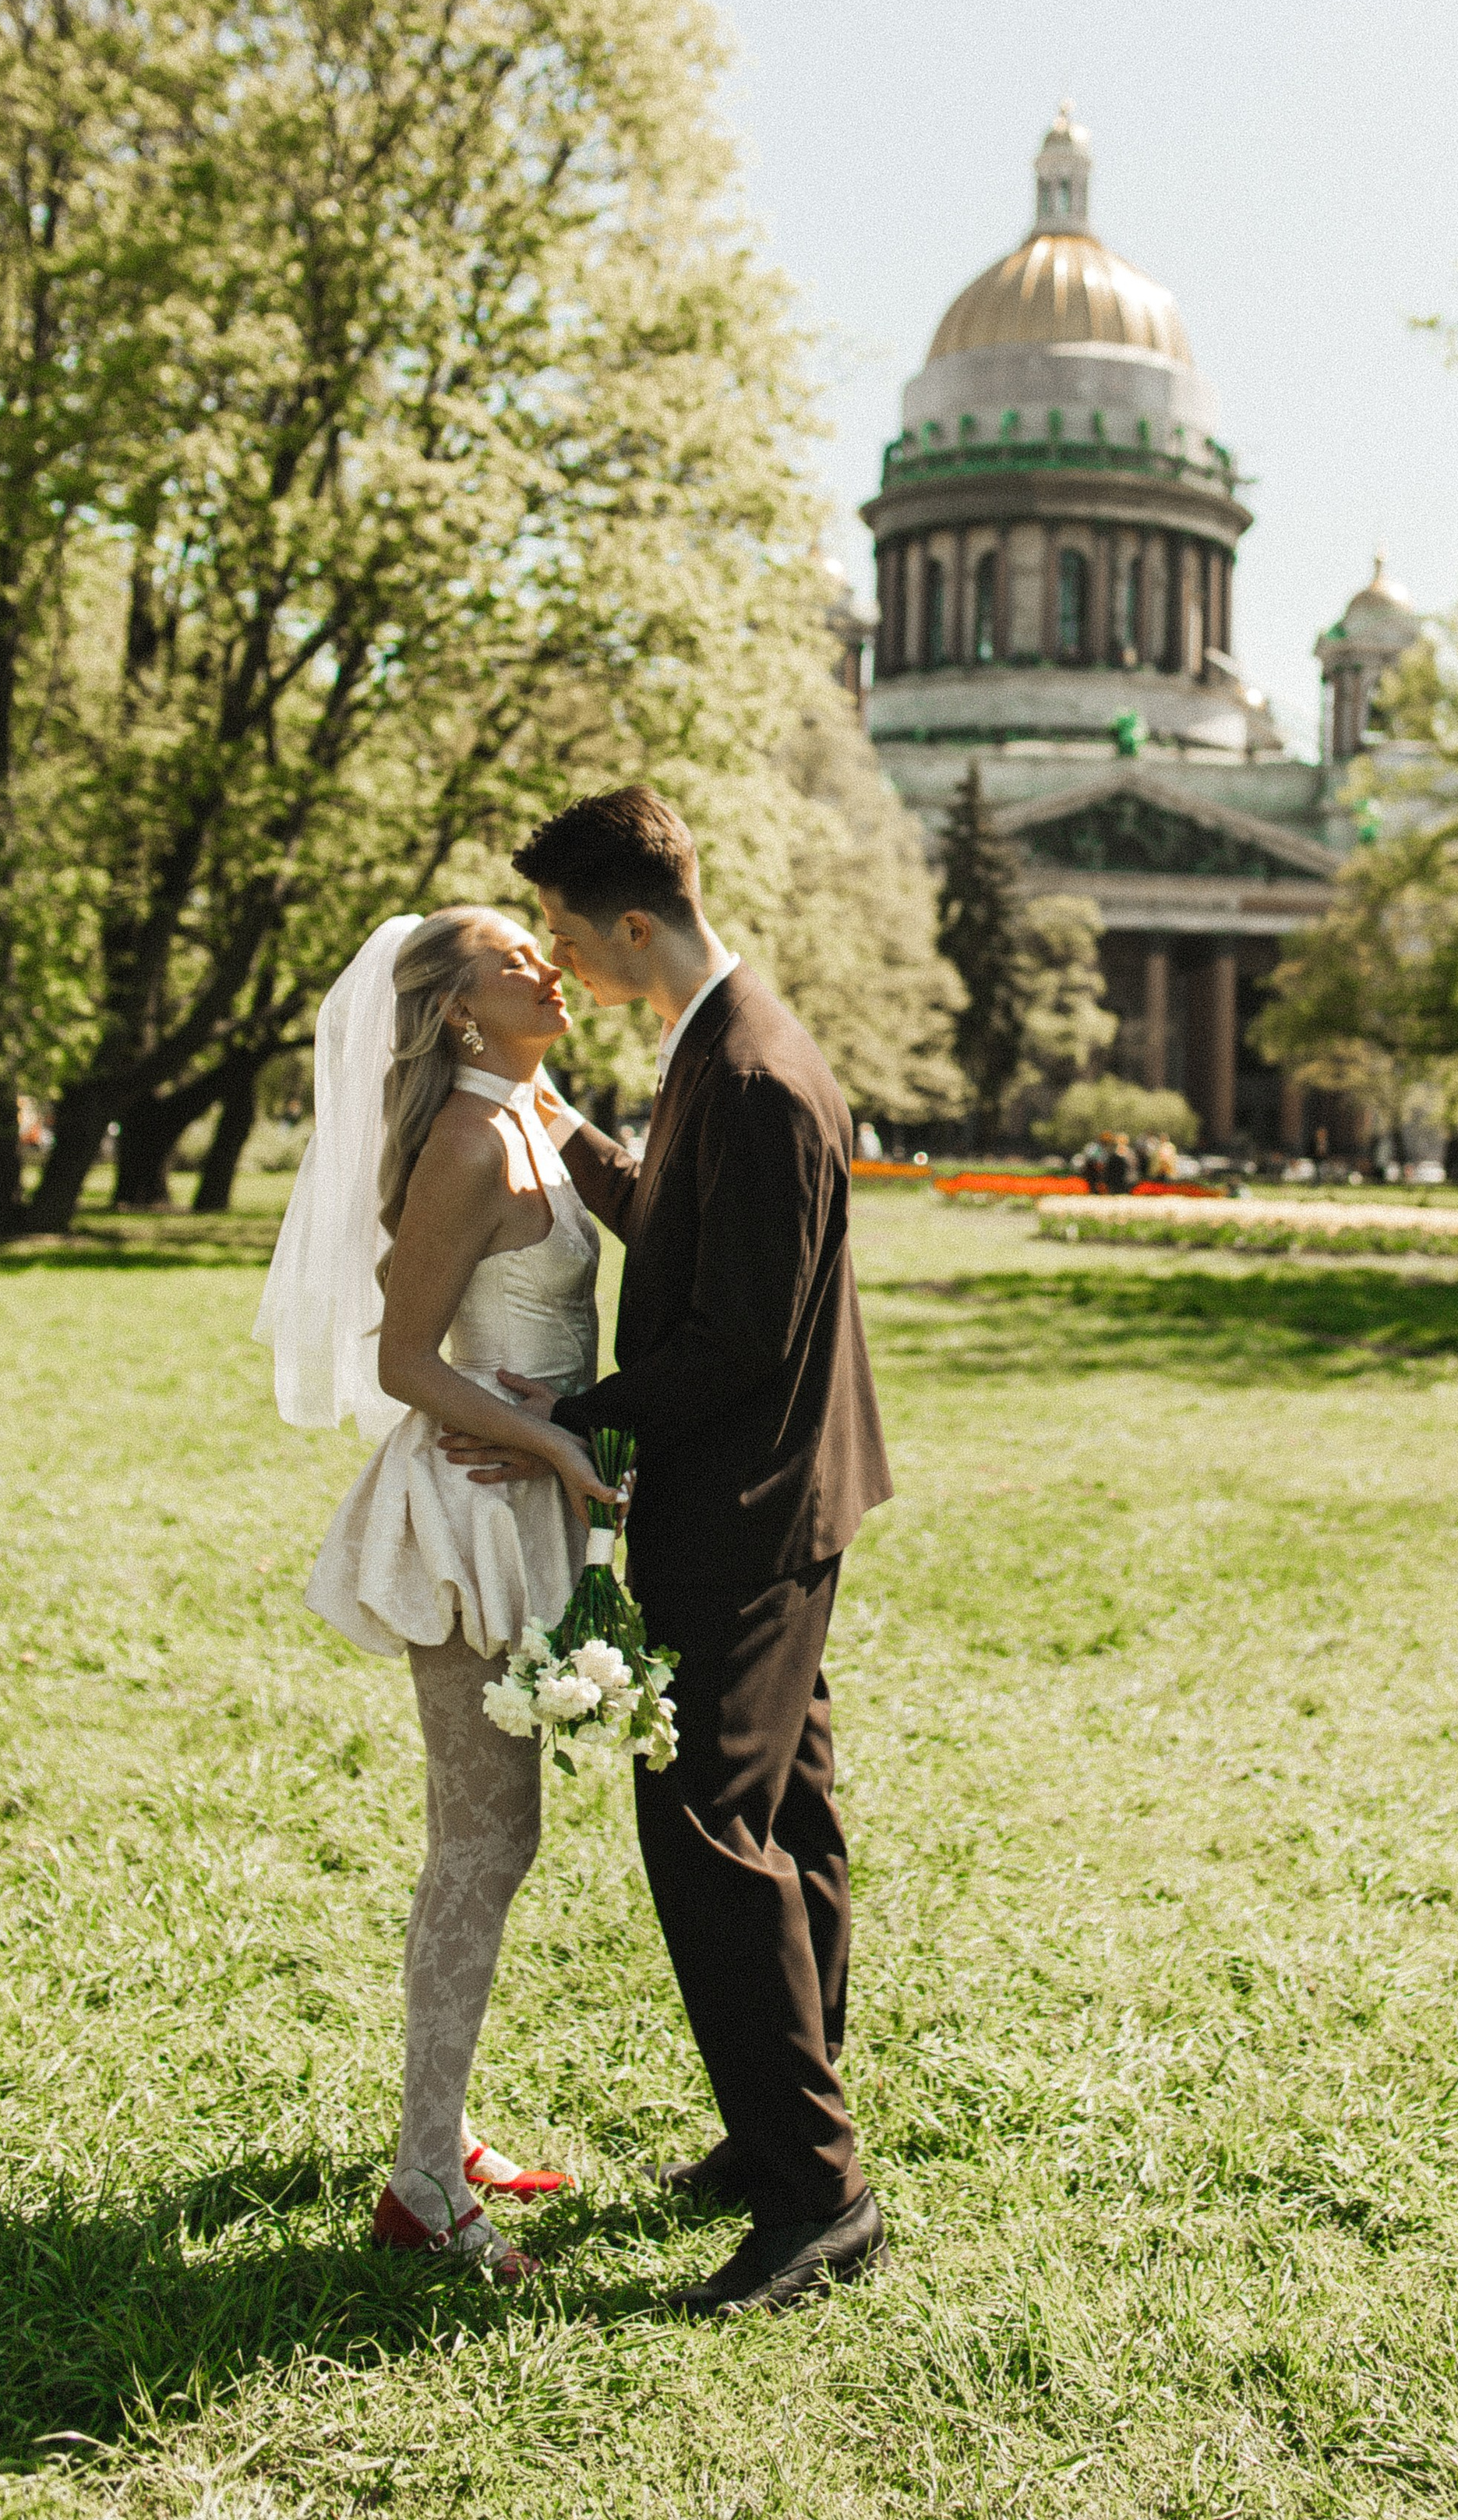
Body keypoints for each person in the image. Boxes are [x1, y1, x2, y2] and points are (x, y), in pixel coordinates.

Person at [445, 786, 891, 2318]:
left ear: (632, 921)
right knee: (790, 1816)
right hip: (781, 1490)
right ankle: (779, 2134)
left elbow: (735, 1337)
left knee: (704, 1824)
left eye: (569, 932)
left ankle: (818, 2196)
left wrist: (563, 1415)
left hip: (749, 1504)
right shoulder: (717, 1038)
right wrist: (569, 1136)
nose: (560, 960)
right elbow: (688, 1228)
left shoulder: (753, 1069)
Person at [258, 910, 620, 2281]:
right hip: (470, 1512)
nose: (550, 963)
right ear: (459, 1010)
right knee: (480, 1843)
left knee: (497, 1838)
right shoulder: (471, 1138)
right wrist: (549, 1441)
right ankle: (423, 2184)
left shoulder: (534, 1107)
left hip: (531, 1487)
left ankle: (442, 2125)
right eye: (517, 953)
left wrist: (563, 1429)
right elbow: (411, 1359)